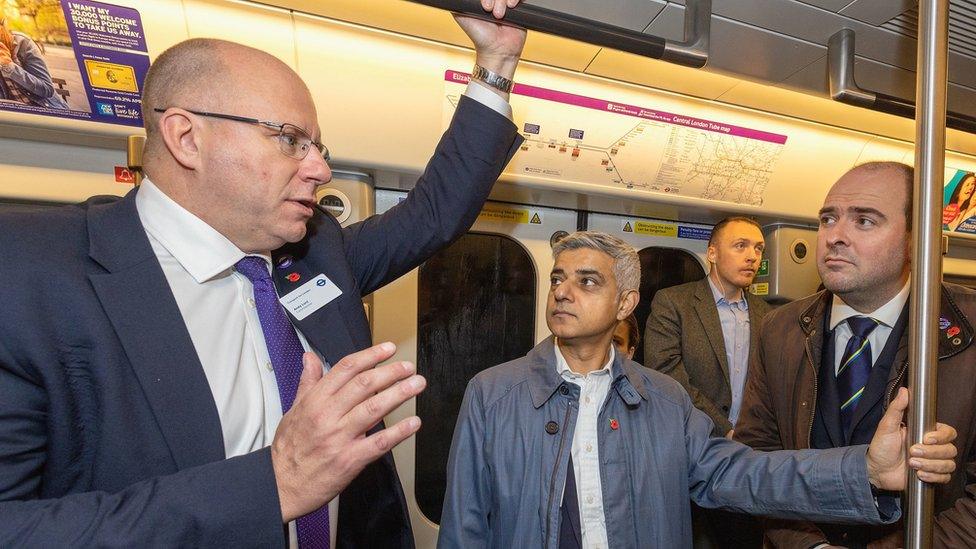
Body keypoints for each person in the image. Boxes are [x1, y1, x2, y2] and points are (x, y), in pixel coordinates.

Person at [0, 2, 526, 546]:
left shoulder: (318, 255)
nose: (319, 168)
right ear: (186, 138)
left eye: (317, 146)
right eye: (289, 139)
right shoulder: (30, 274)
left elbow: (434, 214)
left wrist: (496, 61)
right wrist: (274, 483)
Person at [438, 231, 957, 549]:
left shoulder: (664, 400)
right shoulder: (493, 394)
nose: (562, 292)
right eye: (557, 279)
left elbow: (744, 472)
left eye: (588, 281)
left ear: (626, 304)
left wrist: (861, 470)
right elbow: (464, 528)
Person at [735, 161, 976, 548]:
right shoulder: (779, 330)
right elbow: (756, 462)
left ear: (917, 239)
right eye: (828, 219)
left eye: (864, 221)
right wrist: (810, 546)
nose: (835, 236)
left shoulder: (967, 330)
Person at [645, 216, 770, 439]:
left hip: (750, 444)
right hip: (690, 437)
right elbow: (666, 376)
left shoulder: (768, 315)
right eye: (740, 246)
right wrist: (726, 430)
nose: (752, 256)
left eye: (758, 248)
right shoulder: (673, 303)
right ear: (712, 254)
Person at [0, 17, 69, 109]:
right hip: (16, 117)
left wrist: (9, 67)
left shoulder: (23, 44)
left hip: (47, 110)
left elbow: (47, 89)